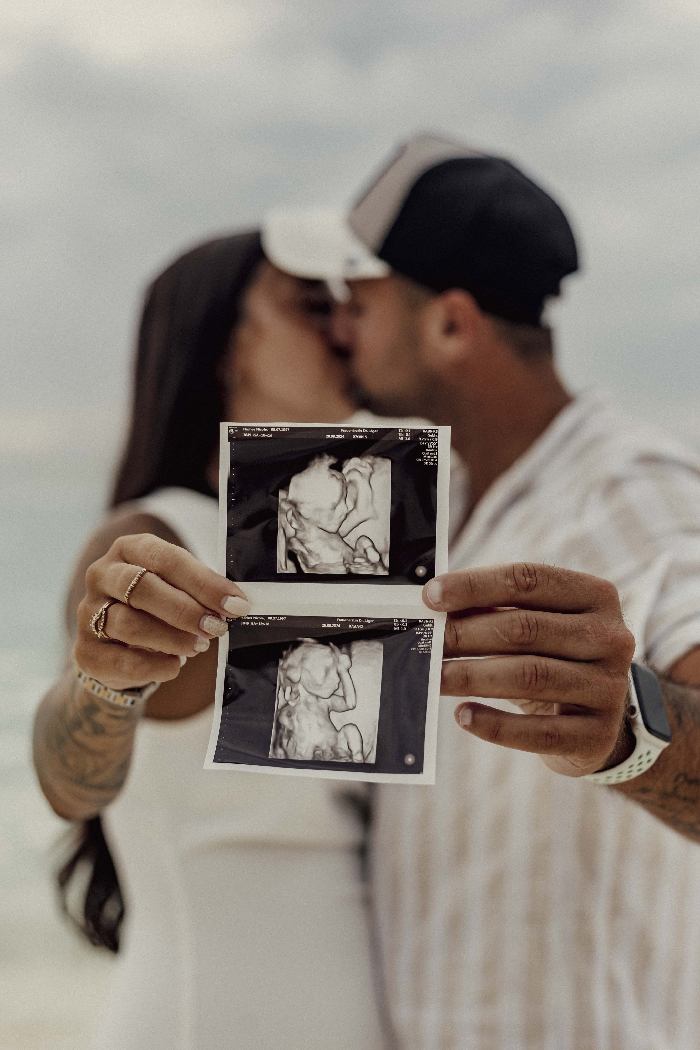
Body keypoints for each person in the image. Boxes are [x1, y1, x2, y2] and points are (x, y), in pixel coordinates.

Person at [263, 133, 700, 1049]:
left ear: (451, 325)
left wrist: (629, 733)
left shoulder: (636, 490)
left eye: (360, 300)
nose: (340, 327)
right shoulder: (433, 501)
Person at [32, 232, 388, 1050]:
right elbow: (69, 784)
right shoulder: (159, 538)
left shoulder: (358, 546)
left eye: (346, 304)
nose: (345, 324)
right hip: (208, 1018)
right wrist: (104, 680)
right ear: (226, 344)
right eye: (311, 306)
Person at [272, 639, 365, 762]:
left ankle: (358, 759)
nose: (337, 682)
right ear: (298, 671)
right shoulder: (289, 704)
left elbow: (350, 704)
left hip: (335, 747)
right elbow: (279, 727)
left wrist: (344, 672)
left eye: (337, 674)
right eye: (327, 671)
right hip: (305, 754)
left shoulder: (325, 701)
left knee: (351, 729)